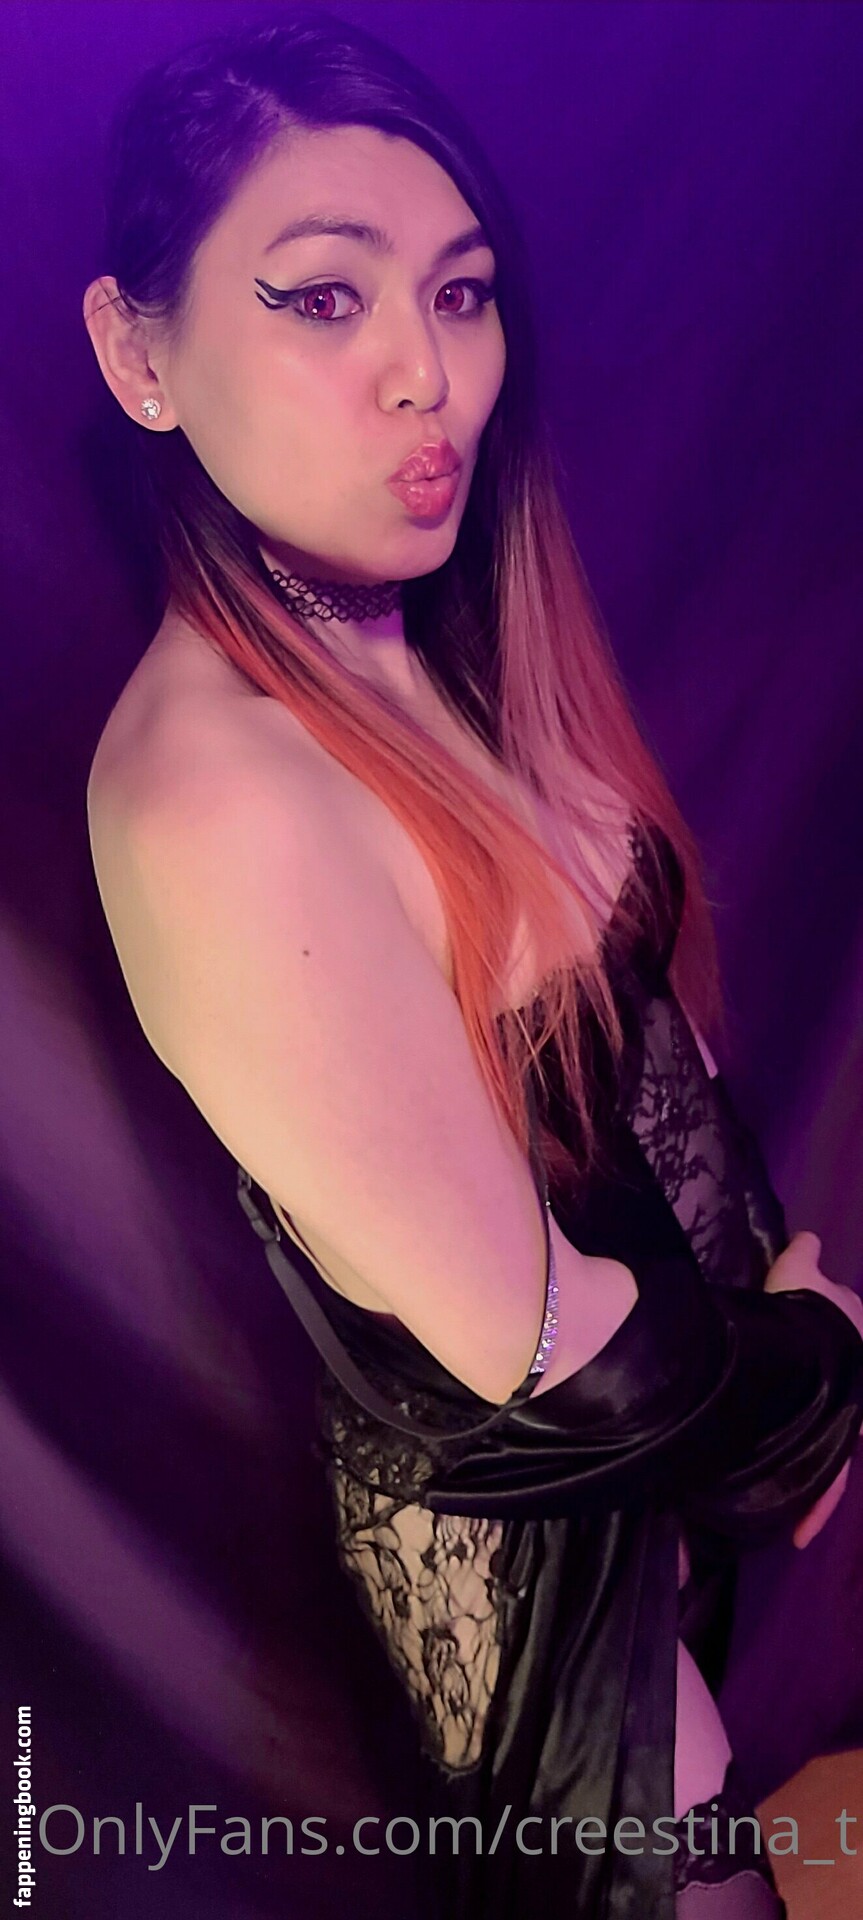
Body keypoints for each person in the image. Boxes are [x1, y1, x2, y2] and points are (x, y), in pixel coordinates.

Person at [81, 13, 863, 1917]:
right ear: (139, 352)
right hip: (544, 1576)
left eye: (462, 291)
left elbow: (627, 1044)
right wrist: (812, 1379)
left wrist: (762, 1293)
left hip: (687, 1445)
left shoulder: (420, 630)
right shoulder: (215, 797)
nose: (429, 374)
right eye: (323, 299)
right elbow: (553, 1366)